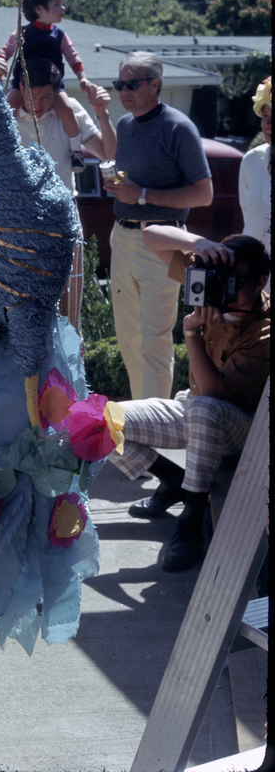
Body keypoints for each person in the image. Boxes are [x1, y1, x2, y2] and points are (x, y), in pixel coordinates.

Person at [109, 226, 270, 571]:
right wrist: (199, 243)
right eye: (220, 278)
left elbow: (214, 392)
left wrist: (191, 332)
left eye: (236, 282)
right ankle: (171, 480)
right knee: (100, 421)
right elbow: (150, 236)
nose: (223, 290)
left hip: (241, 428)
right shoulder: (210, 282)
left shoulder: (265, 330)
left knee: (205, 406)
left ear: (261, 282)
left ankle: (192, 521)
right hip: (192, 406)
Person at [107, 52, 213, 400]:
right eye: (120, 84)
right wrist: (122, 188)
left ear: (155, 84)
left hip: (163, 242)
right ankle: (142, 419)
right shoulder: (125, 125)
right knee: (128, 338)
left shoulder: (179, 127)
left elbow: (204, 194)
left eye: (132, 84)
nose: (124, 91)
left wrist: (142, 195)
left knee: (154, 342)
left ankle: (155, 425)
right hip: (122, 235)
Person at [14, 57, 117, 332]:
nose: (38, 103)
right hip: (18, 220)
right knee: (22, 310)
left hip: (63, 216)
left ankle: (70, 359)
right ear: (21, 88)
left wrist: (102, 113)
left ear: (57, 94)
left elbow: (108, 153)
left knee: (69, 310)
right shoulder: (7, 115)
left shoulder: (70, 112)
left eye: (46, 97)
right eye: (32, 95)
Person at [0, 0, 90, 171]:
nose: (63, 8)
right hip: (22, 85)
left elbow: (73, 57)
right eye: (57, 4)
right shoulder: (22, 32)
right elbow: (5, 50)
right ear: (39, 9)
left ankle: (76, 151)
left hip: (53, 87)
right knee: (6, 111)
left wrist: (82, 78)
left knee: (68, 111)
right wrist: (0, 62)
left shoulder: (59, 34)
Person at [238, 76, 271, 275]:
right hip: (256, 276)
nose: (268, 124)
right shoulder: (251, 159)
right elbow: (248, 220)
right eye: (264, 115)